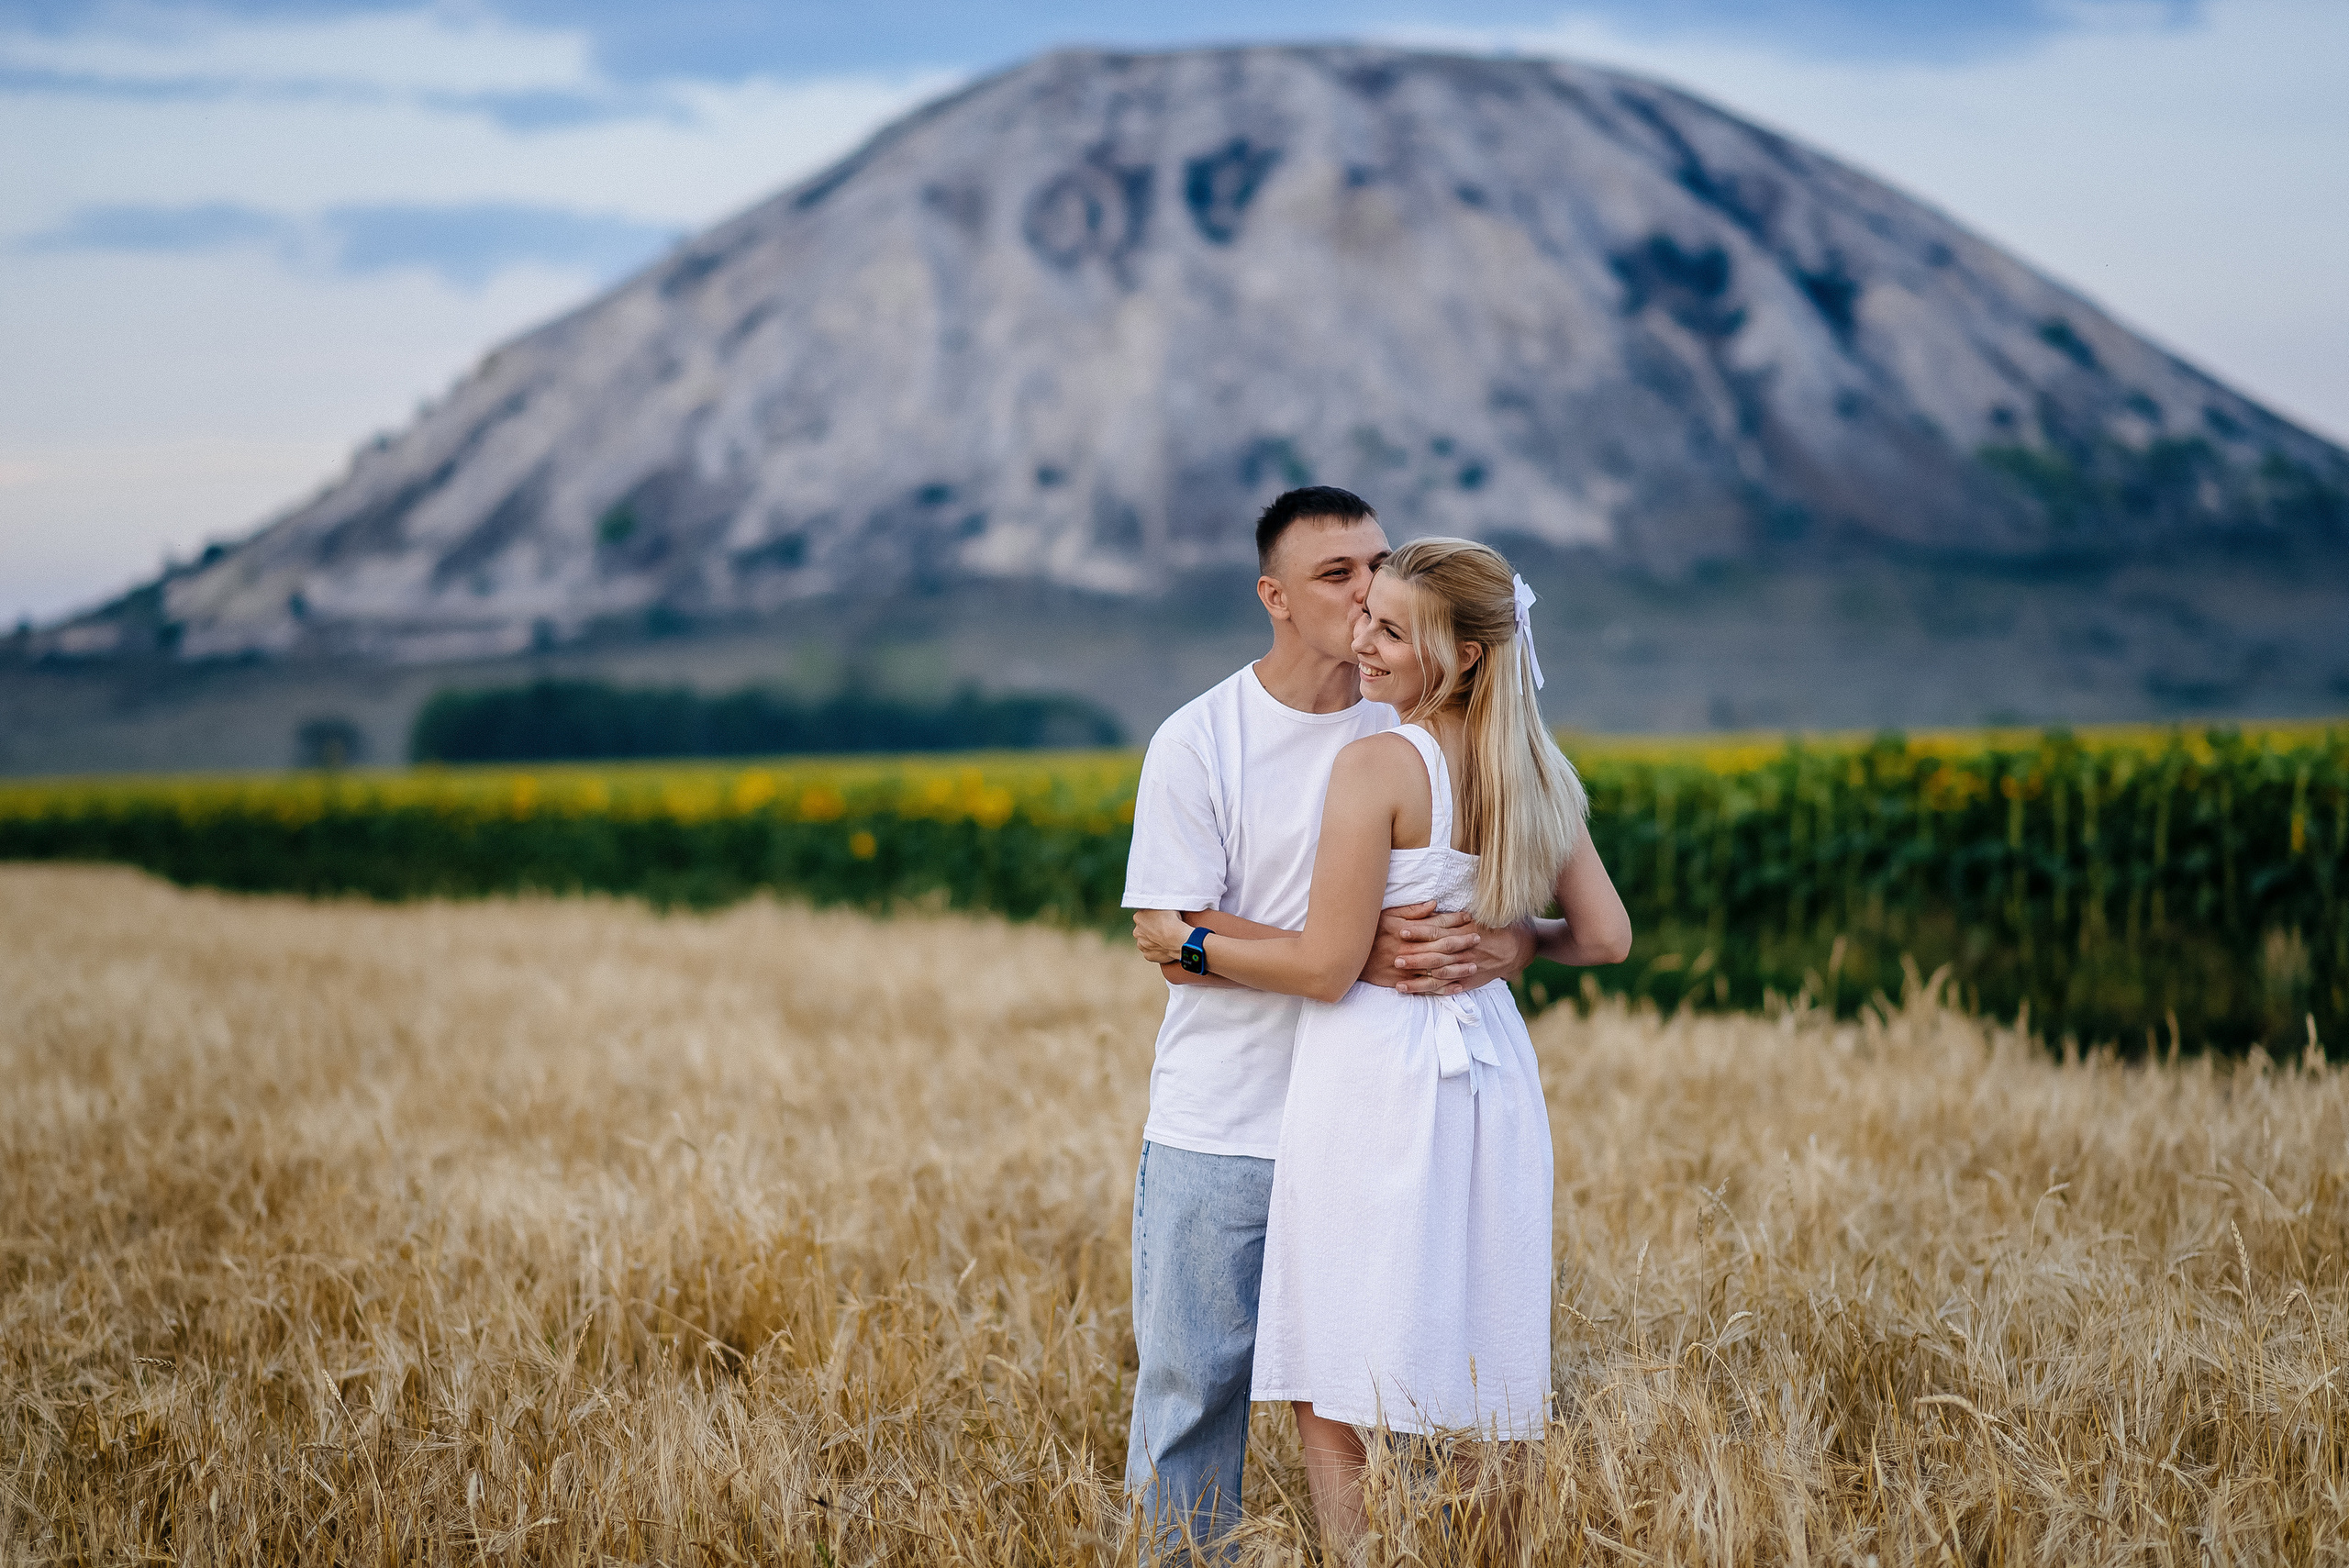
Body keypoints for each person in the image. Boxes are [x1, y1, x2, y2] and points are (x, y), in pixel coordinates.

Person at [1135, 536, 1632, 1555]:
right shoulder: (1536, 761)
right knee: (1479, 1341)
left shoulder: (1377, 761)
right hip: (1489, 1072)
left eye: (1393, 628)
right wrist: (1511, 941)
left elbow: (1327, 964)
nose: (1365, 640)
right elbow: (1605, 936)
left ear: (1468, 654)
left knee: (1335, 1359)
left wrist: (1187, 938)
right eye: (1365, 614)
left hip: (1377, 1072)